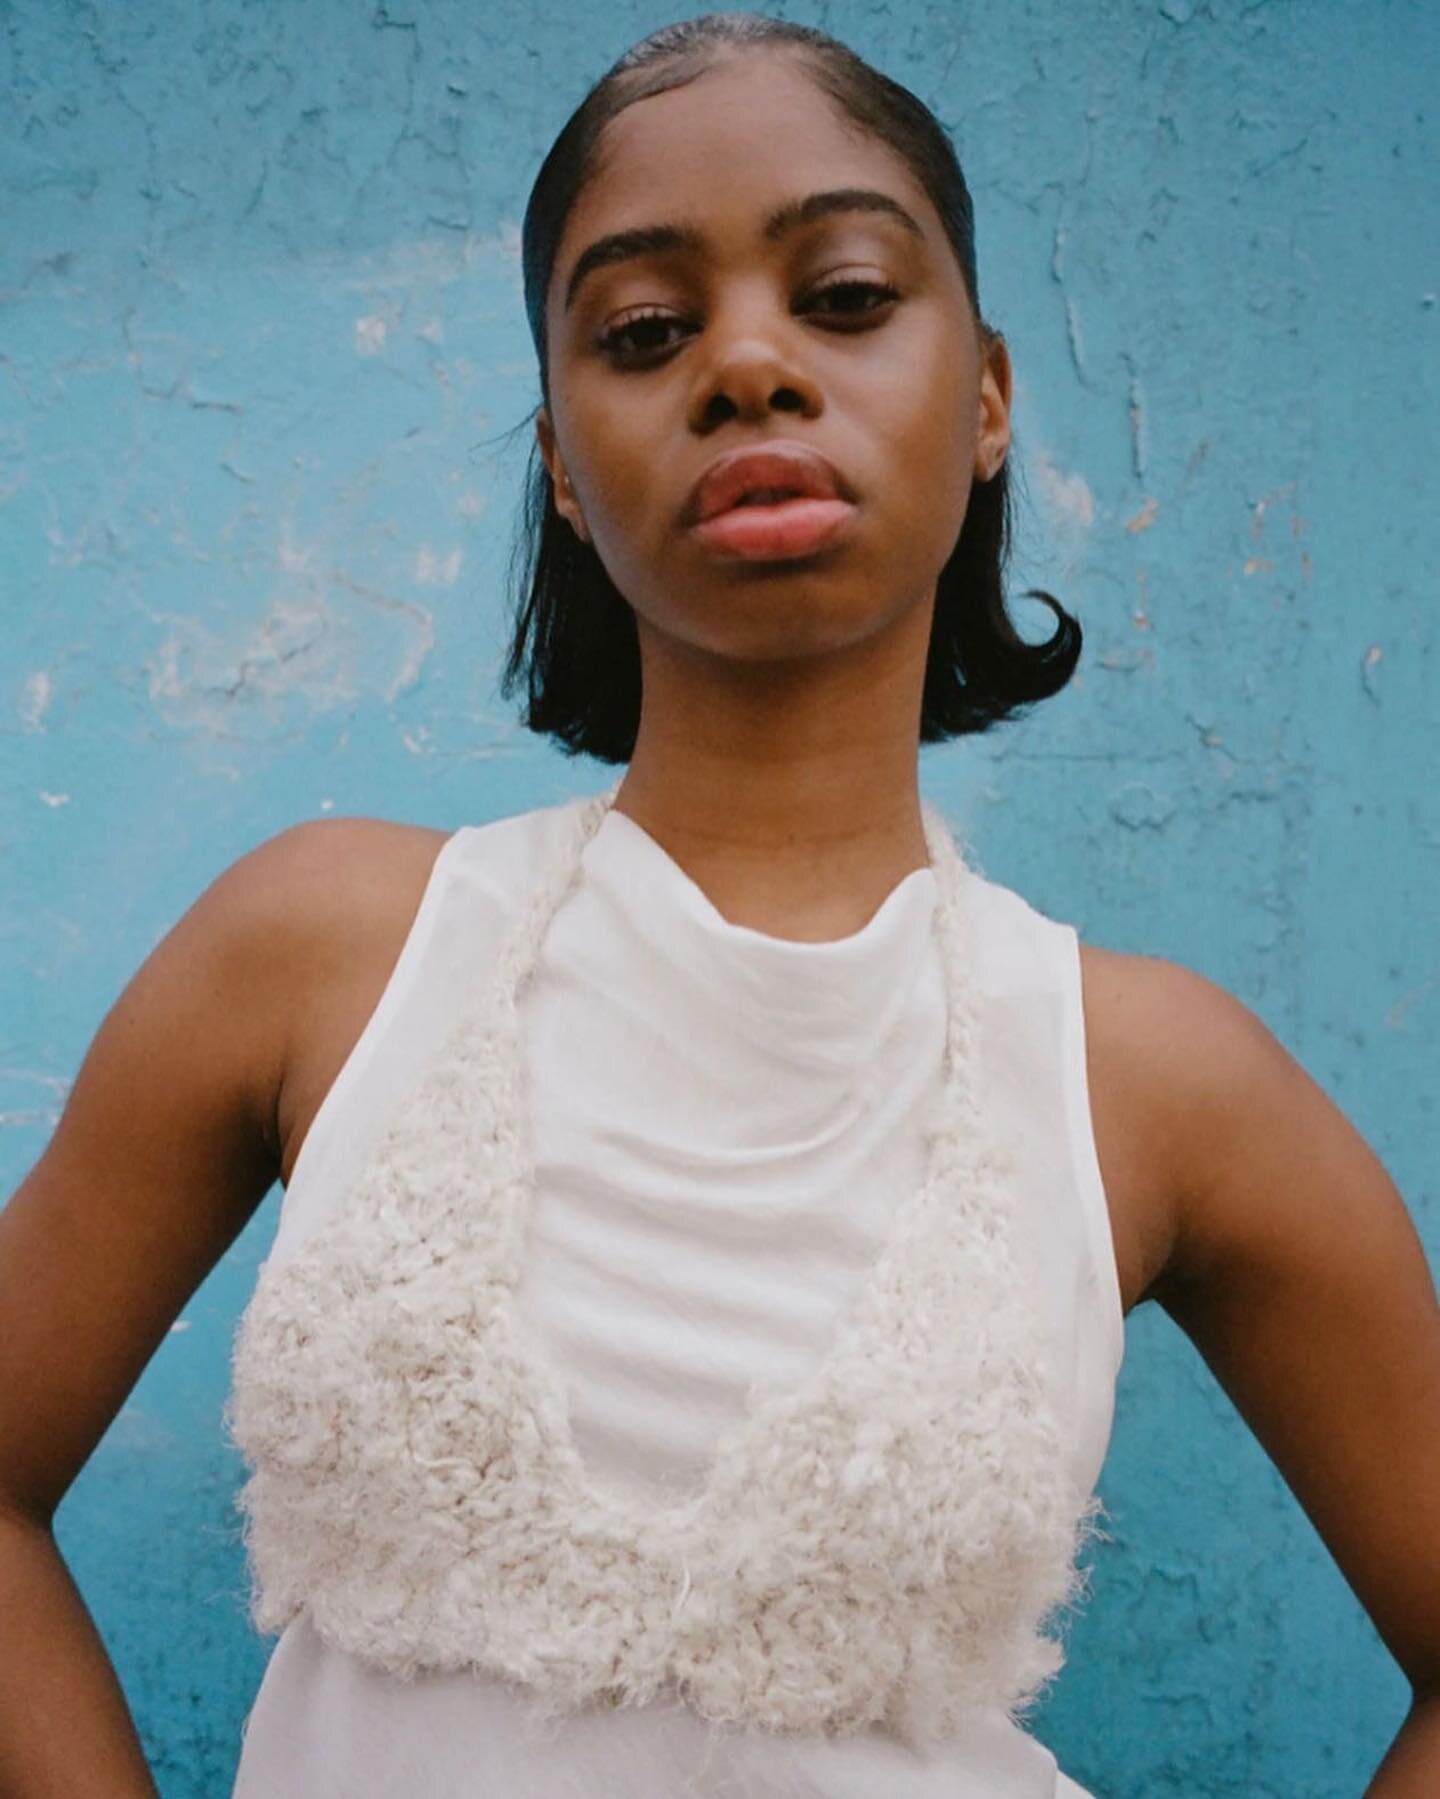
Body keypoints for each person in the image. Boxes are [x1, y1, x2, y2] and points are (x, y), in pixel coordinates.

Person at [0, 11, 1436, 1796]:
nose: (747, 366)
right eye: (646, 329)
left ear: (987, 396)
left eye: (842, 296)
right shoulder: (324, 955)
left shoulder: (1151, 1081)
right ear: (559, 464)